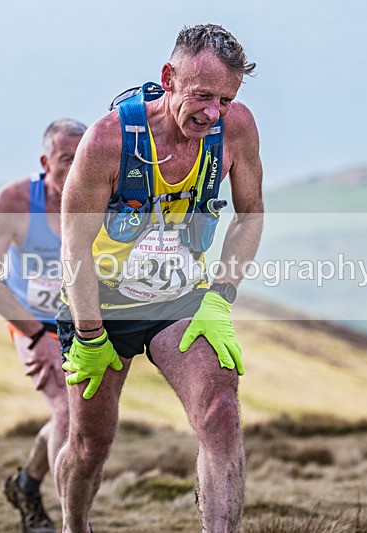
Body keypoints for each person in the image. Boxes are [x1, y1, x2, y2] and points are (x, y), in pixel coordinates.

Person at [56, 24, 263, 532]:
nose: (213, 113)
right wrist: (87, 332)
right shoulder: (108, 139)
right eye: (201, 95)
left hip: (180, 300)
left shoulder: (234, 129)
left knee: (220, 413)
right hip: (99, 305)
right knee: (90, 445)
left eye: (225, 98)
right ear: (169, 77)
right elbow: (74, 244)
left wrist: (221, 298)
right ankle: (72, 525)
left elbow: (251, 212)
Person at [0, 119, 87, 533]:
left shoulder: (104, 197)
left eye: (83, 158)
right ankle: (74, 524)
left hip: (86, 323)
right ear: (45, 161)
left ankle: (27, 484)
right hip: (34, 323)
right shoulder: (15, 200)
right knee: (66, 412)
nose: (76, 168)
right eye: (65, 160)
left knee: (81, 418)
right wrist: (38, 337)